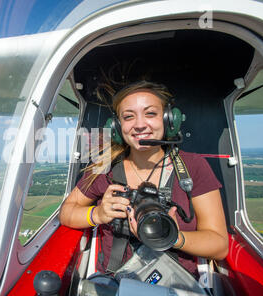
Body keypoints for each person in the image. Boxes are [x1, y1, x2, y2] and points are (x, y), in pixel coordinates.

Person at [59, 80, 229, 278]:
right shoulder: (104, 167)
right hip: (115, 282)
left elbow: (219, 245)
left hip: (177, 284)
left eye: (150, 113)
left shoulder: (193, 167)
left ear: (169, 120)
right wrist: (98, 214)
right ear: (116, 126)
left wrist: (172, 237)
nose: (140, 125)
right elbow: (67, 212)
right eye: (129, 117)